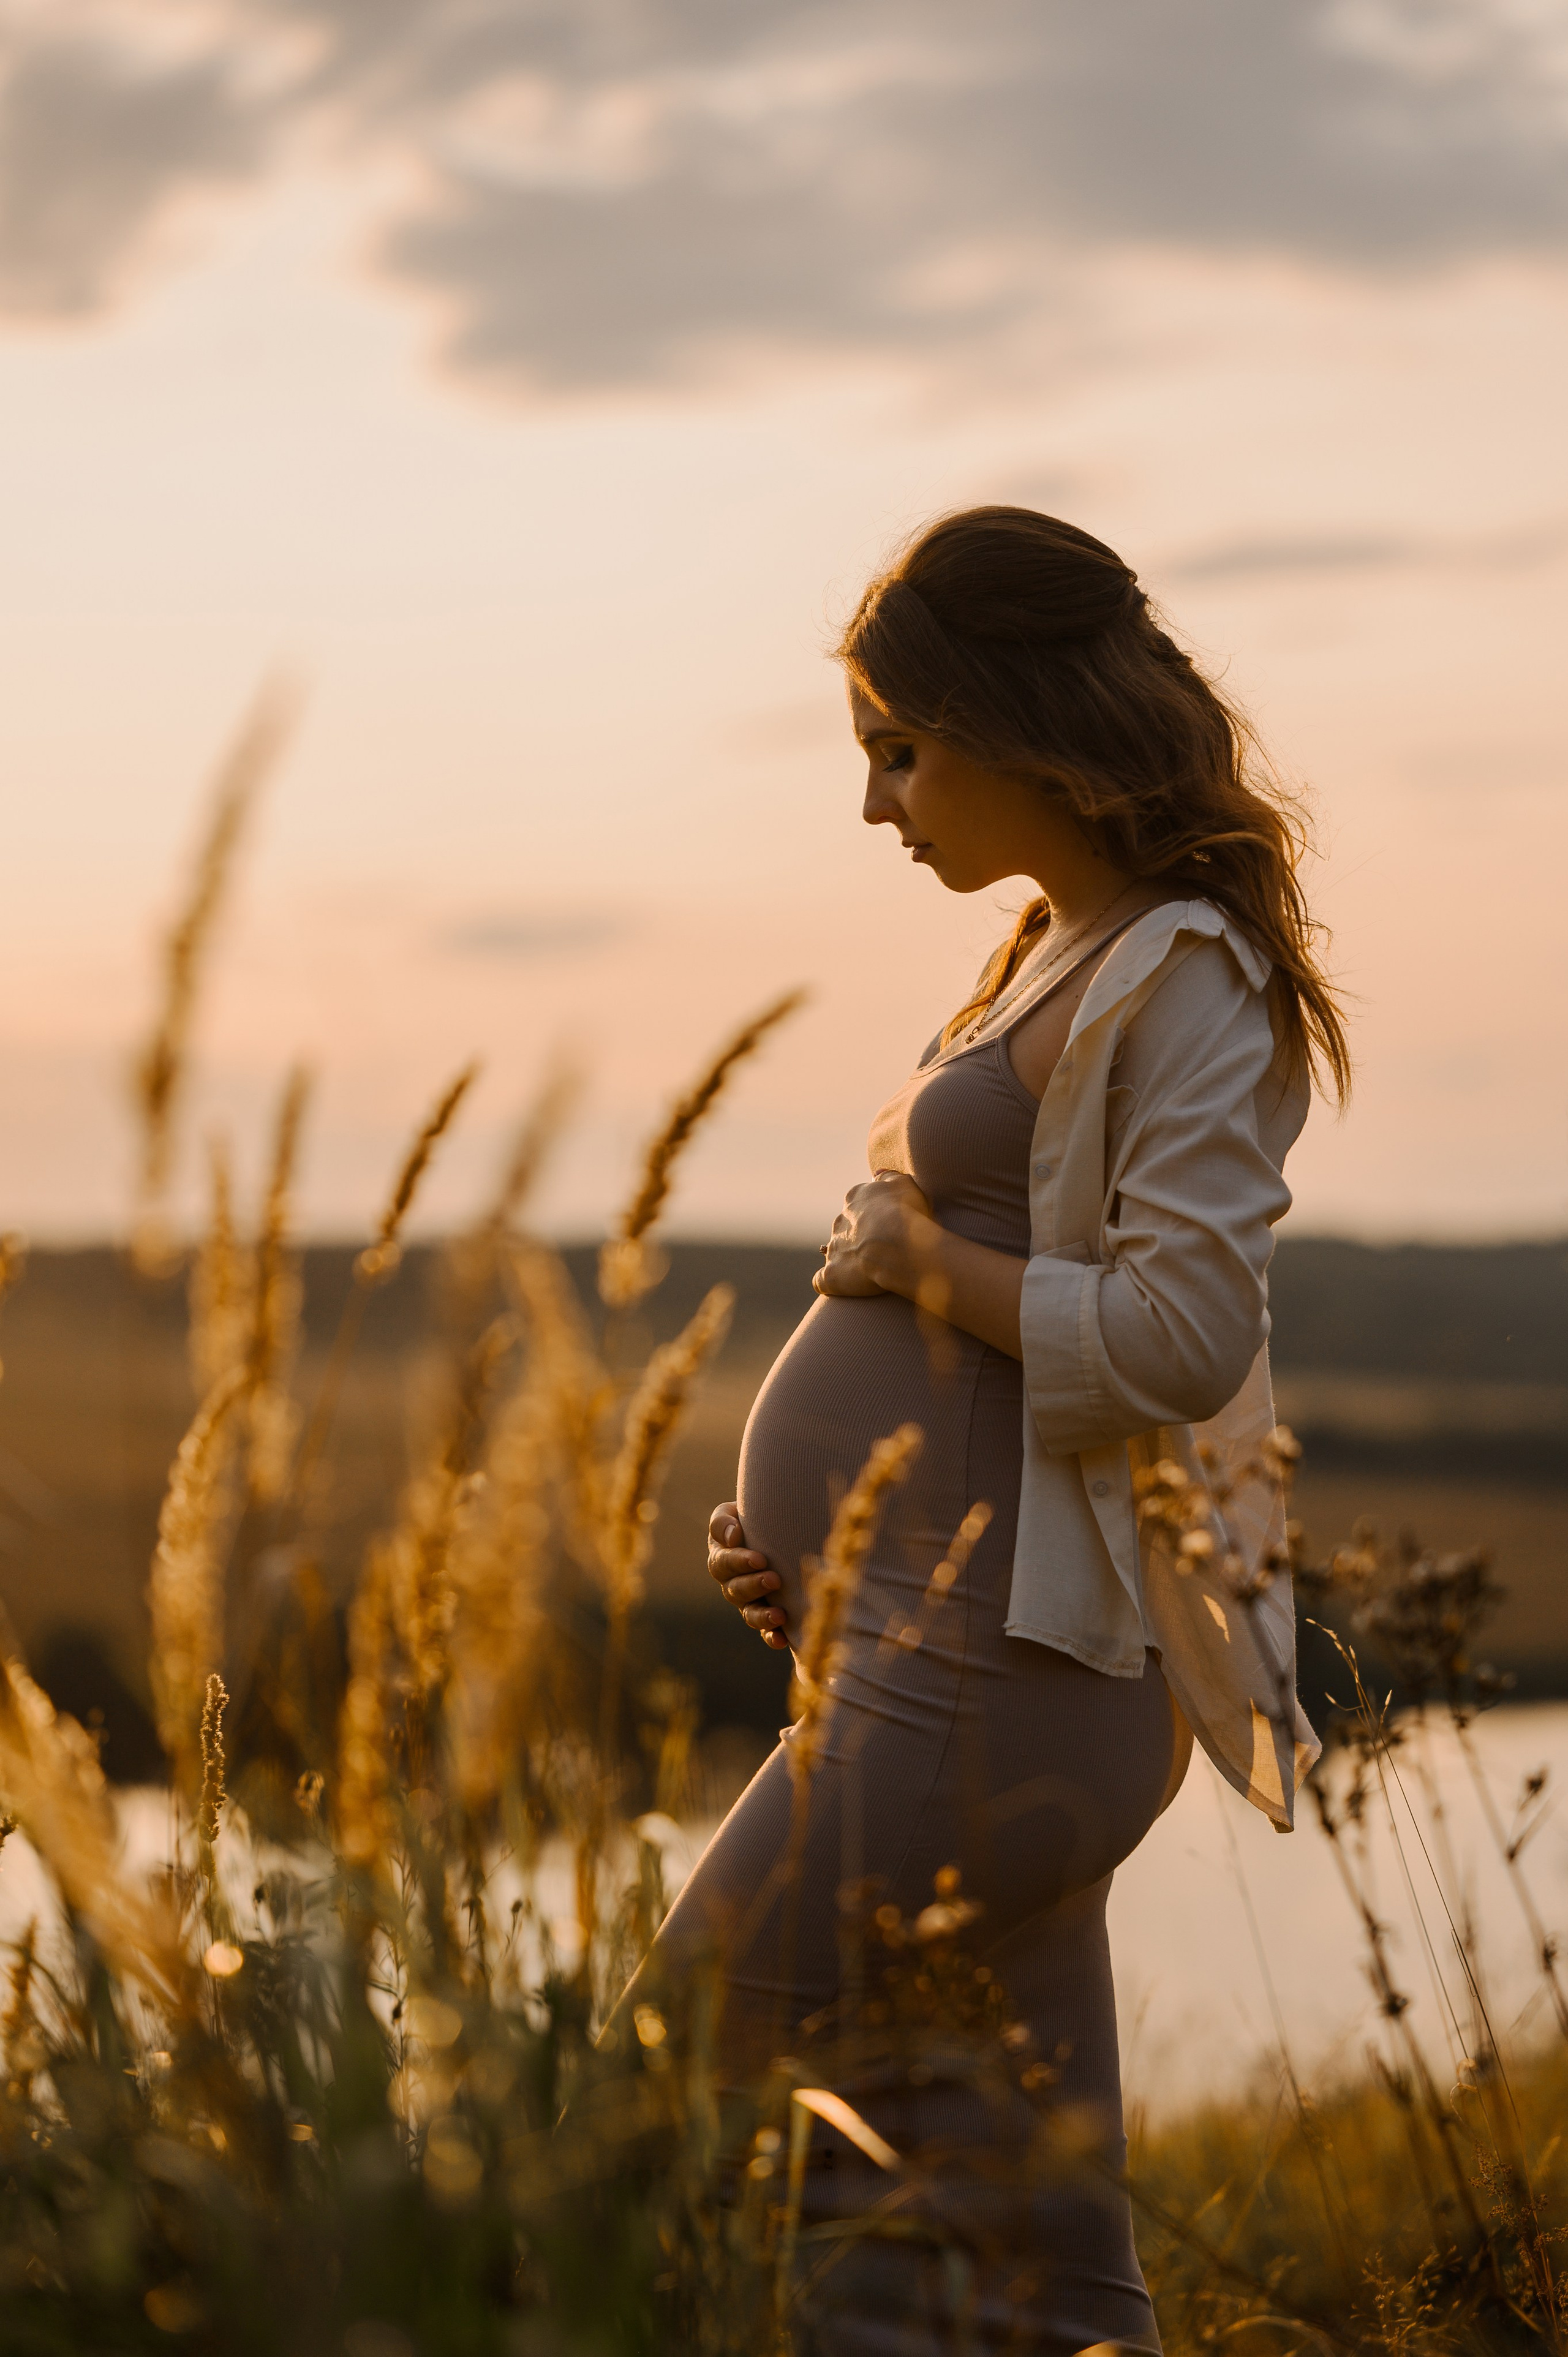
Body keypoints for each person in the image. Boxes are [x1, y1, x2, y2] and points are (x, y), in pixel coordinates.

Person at [613, 507, 1349, 2354]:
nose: (879, 804)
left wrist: (923, 1263)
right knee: (988, 2259)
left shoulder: (1187, 973)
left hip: (998, 1682)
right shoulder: (1053, 949)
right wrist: (818, 1549)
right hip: (924, 1655)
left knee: (641, 2100)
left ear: (1023, 725)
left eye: (904, 748)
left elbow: (1187, 1332)